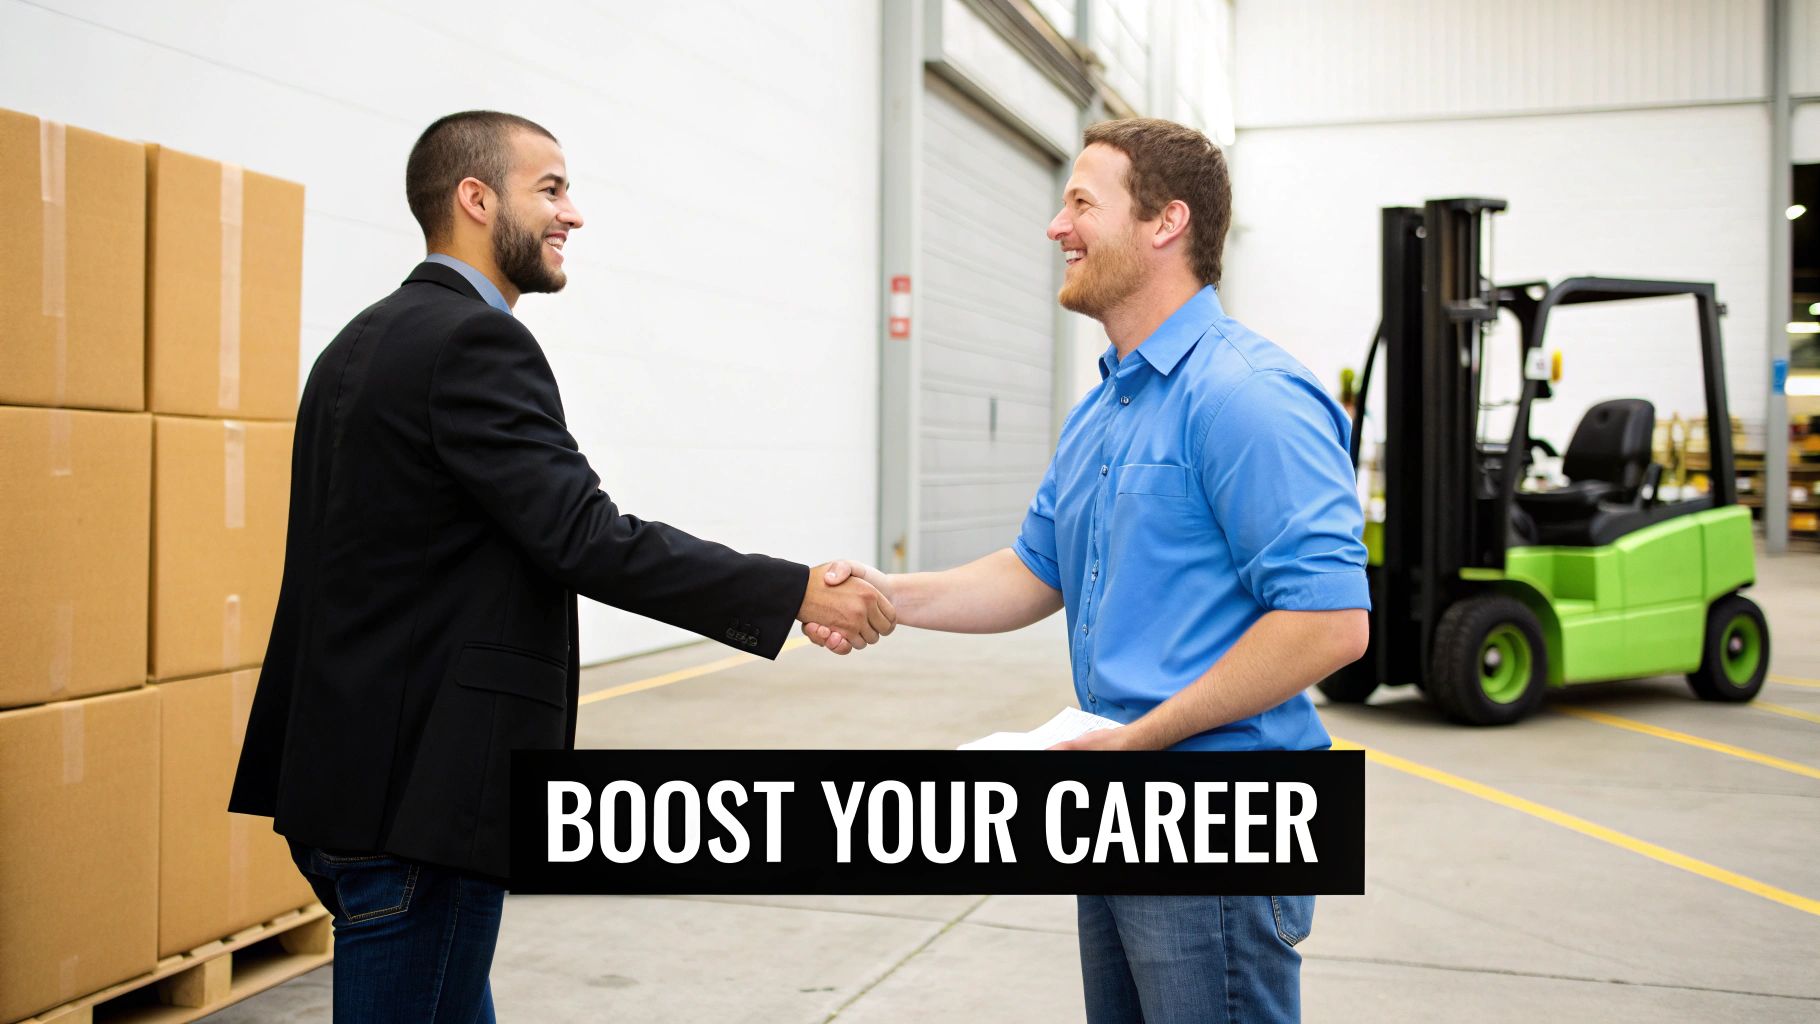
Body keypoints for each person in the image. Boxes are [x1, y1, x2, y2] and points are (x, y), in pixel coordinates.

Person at [229, 110, 894, 1023]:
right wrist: (794, 591)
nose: (572, 213)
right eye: (550, 189)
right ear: (475, 198)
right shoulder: (475, 342)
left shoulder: (359, 340)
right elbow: (585, 536)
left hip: (343, 782)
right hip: (420, 800)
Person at [806, 118, 1369, 1024]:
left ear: (1166, 222)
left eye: (1080, 203)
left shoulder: (1248, 396)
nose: (1055, 226)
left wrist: (1140, 740)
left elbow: (1329, 623)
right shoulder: (1106, 407)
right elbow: (1035, 571)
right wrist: (887, 594)